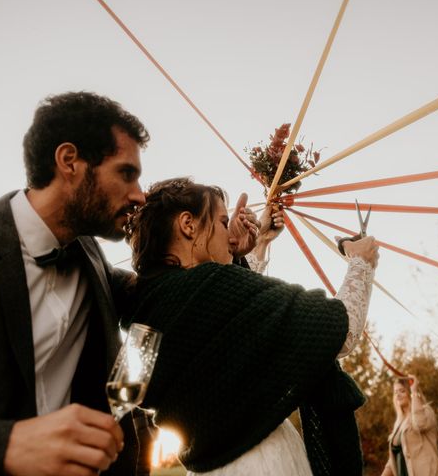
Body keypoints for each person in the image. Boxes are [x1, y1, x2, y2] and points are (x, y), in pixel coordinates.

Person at [0, 91, 151, 476]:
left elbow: (155, 290)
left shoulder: (90, 258)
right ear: (69, 161)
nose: (139, 194)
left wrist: (237, 250)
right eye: (126, 173)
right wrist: (3, 445)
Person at [123, 176, 380, 475]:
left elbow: (235, 330)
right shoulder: (212, 287)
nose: (230, 238)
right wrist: (361, 263)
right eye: (221, 222)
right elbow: (340, 330)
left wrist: (257, 247)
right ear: (188, 225)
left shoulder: (151, 305)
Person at [381, 375, 438, 476]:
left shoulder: (425, 411)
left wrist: (414, 391)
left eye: (402, 391)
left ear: (409, 392)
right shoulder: (399, 423)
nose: (398, 395)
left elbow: (420, 424)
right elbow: (393, 459)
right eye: (395, 392)